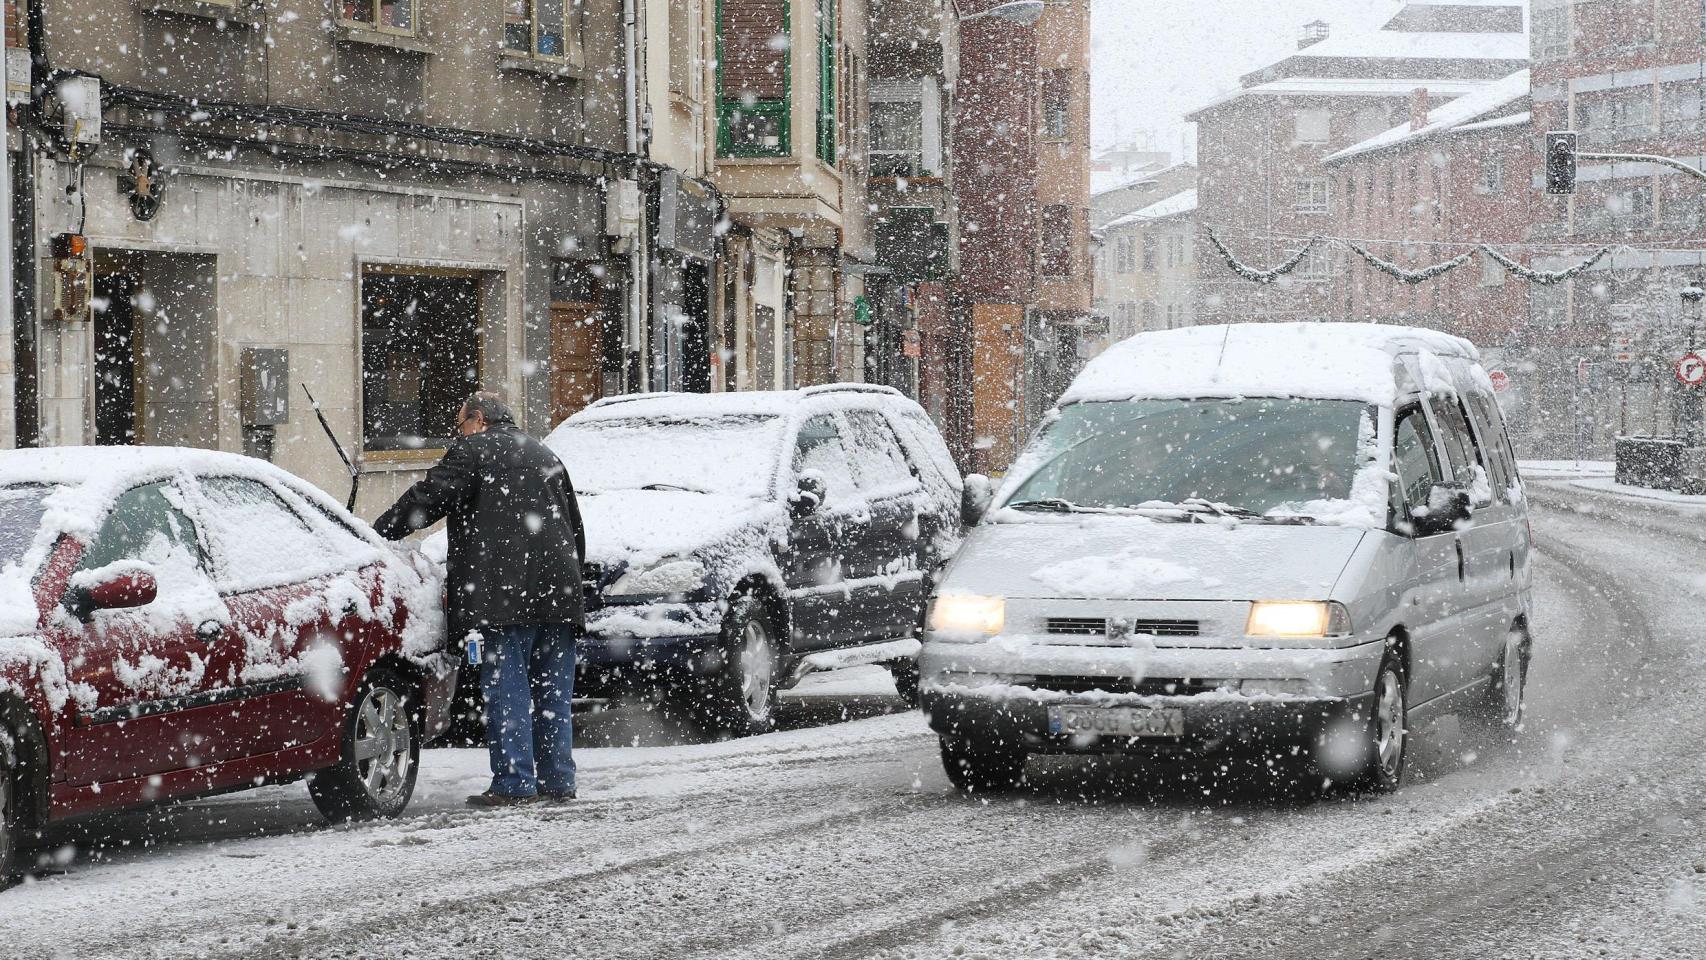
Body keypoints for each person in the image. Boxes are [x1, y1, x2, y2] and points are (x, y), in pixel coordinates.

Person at [375, 391, 586, 807]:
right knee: (552, 695)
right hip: (559, 596)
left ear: (478, 419)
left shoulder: (474, 451)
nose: (460, 433)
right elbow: (574, 528)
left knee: (508, 692)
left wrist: (378, 533)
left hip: (502, 597)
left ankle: (514, 783)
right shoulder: (544, 454)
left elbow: (427, 499)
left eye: (461, 424)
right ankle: (558, 779)